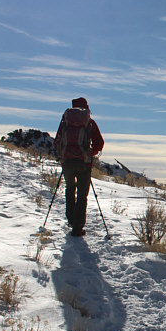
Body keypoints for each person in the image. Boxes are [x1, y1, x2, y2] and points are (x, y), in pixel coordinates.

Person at [54, 97, 104, 236]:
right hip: (84, 163)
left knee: (70, 189)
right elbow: (99, 143)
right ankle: (78, 227)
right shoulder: (89, 122)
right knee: (82, 195)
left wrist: (63, 155)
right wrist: (89, 154)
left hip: (67, 163)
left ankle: (71, 219)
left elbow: (57, 141)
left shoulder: (65, 122)